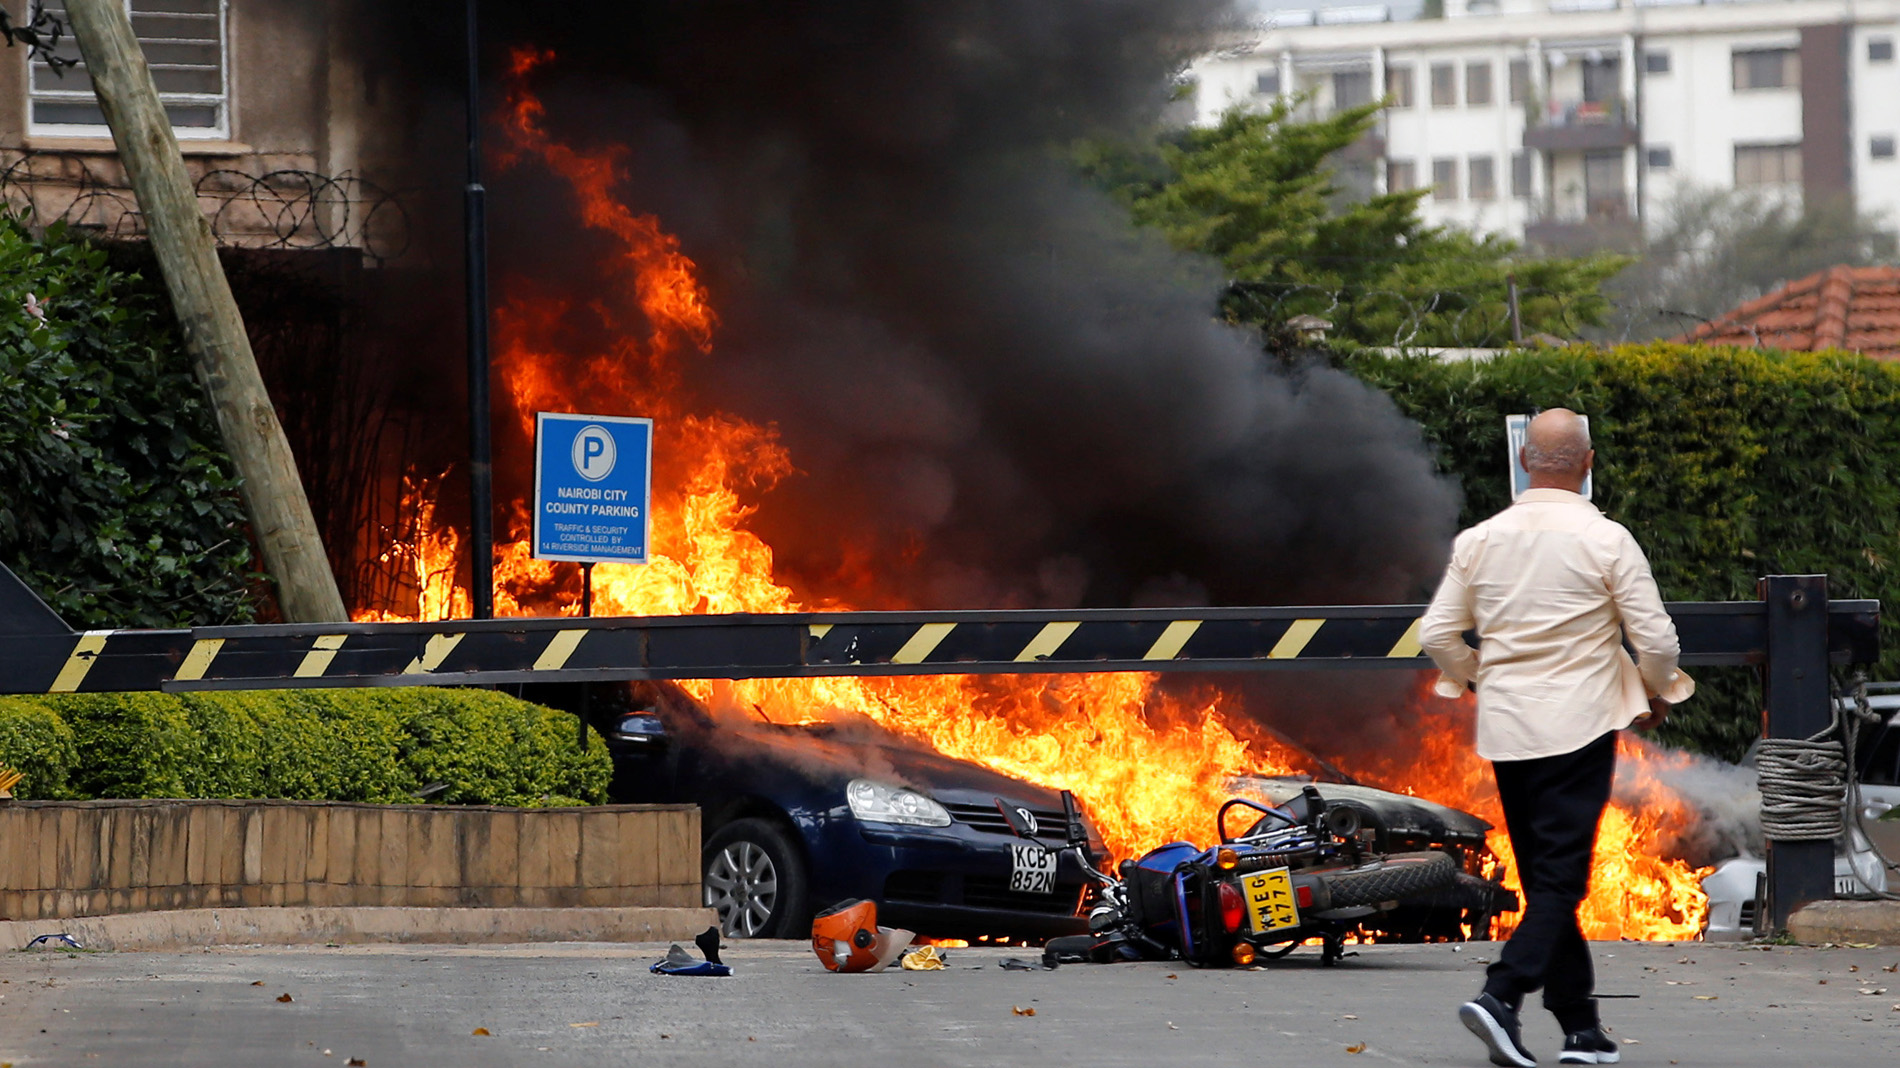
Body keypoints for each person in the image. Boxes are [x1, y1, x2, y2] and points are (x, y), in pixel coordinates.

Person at [1418, 408, 1693, 1068]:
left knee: (1548, 879)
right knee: (1562, 884)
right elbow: (1655, 640)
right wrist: (1659, 692)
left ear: (1523, 463)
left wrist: (1481, 678)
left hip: (1510, 730)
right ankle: (1501, 993)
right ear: (1588, 464)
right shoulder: (1608, 540)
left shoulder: (1481, 540)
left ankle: (1582, 1031)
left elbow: (1437, 637)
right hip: (1581, 723)